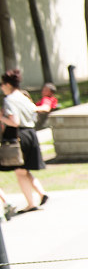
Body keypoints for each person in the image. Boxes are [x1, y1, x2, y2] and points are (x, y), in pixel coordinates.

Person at [1, 69, 48, 212]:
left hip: (18, 135)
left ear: (8, 84)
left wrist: (1, 118)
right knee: (23, 169)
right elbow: (35, 111)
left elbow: (14, 121)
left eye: (2, 84)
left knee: (20, 171)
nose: (1, 87)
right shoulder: (23, 96)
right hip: (30, 133)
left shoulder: (9, 100)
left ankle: (31, 203)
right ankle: (41, 193)